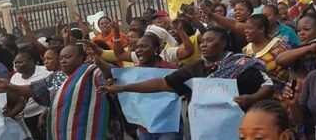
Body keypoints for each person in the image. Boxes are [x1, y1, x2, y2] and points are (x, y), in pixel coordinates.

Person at [101, 27, 274, 111]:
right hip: (207, 129)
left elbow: (267, 85)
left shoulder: (241, 64)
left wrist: (251, 98)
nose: (204, 45)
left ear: (223, 43)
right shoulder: (195, 68)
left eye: (209, 41)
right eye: (202, 42)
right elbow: (162, 83)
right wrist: (123, 88)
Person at [0, 44, 116, 140]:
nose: (63, 61)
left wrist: (98, 61)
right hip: (65, 129)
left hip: (92, 127)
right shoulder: (55, 77)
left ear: (81, 58)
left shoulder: (91, 71)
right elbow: (33, 89)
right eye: (61, 58)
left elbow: (109, 74)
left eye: (68, 57)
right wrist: (9, 87)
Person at [243, 14, 291, 93]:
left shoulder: (279, 46)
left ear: (261, 29)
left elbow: (291, 70)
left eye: (249, 28)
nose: (246, 31)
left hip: (279, 94)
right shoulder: (245, 50)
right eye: (245, 28)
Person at [10, 48, 51, 140]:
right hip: (26, 117)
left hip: (44, 115)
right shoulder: (14, 78)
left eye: (20, 62)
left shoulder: (45, 72)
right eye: (15, 63)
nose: (17, 65)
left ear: (31, 61)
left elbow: (53, 94)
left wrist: (47, 111)